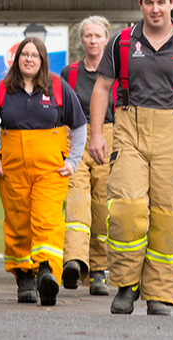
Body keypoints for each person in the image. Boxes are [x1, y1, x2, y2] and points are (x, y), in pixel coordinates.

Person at [89, 0, 173, 316]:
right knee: (126, 211)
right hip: (129, 130)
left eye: (162, 2)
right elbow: (102, 88)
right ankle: (127, 286)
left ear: (172, 4)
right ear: (141, 5)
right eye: (149, 2)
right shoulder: (120, 42)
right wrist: (98, 134)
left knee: (170, 217)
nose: (155, 9)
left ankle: (160, 293)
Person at [0, 37, 87, 306]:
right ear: (17, 58)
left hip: (51, 169)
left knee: (47, 218)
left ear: (43, 60)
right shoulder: (2, 90)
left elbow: (79, 125)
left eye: (35, 55)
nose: (29, 59)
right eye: (25, 54)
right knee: (18, 222)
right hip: (12, 169)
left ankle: (47, 271)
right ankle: (24, 277)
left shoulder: (59, 88)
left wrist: (72, 160)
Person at [60, 16, 114, 295]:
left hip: (110, 139)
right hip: (76, 140)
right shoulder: (69, 74)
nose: (93, 41)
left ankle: (99, 272)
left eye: (98, 36)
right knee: (77, 203)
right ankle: (75, 263)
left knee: (103, 207)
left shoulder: (118, 74)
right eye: (88, 36)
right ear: (81, 40)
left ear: (107, 39)